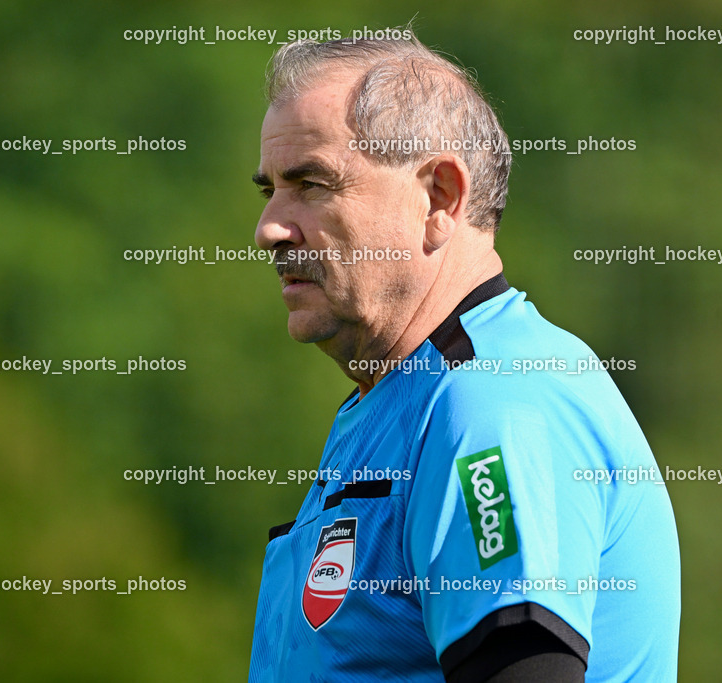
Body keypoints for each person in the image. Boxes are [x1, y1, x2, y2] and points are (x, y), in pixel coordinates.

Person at [248, 29, 680, 683]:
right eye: (269, 190)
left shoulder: (493, 400)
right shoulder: (397, 398)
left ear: (440, 199)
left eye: (311, 184)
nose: (269, 229)